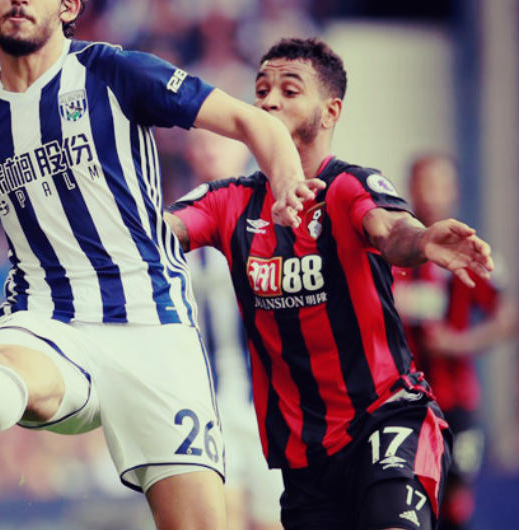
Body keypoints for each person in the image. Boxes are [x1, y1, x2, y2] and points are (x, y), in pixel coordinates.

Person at [0, 0, 322, 530]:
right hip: (46, 318)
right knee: (7, 370)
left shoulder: (116, 73)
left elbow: (253, 122)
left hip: (153, 326)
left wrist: (285, 181)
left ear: (67, 6)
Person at [166, 37, 495, 530]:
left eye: (289, 90)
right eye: (261, 90)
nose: (268, 101)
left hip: (386, 419)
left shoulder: (348, 186)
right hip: (305, 455)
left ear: (330, 112)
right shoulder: (227, 201)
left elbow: (390, 231)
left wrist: (423, 239)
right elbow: (155, 233)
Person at [392, 153, 518, 530]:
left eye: (441, 184)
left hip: (456, 402)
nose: (433, 193)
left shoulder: (472, 250)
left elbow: (507, 319)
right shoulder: (390, 251)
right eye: (425, 183)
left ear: (455, 190)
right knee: (404, 501)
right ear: (411, 188)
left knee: (456, 502)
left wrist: (457, 343)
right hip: (399, 403)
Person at [182, 128, 285, 530]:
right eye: (201, 141)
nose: (210, 150)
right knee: (222, 518)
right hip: (207, 405)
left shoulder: (272, 217)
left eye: (219, 140)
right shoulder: (176, 223)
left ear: (245, 148)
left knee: (274, 519)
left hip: (269, 403)